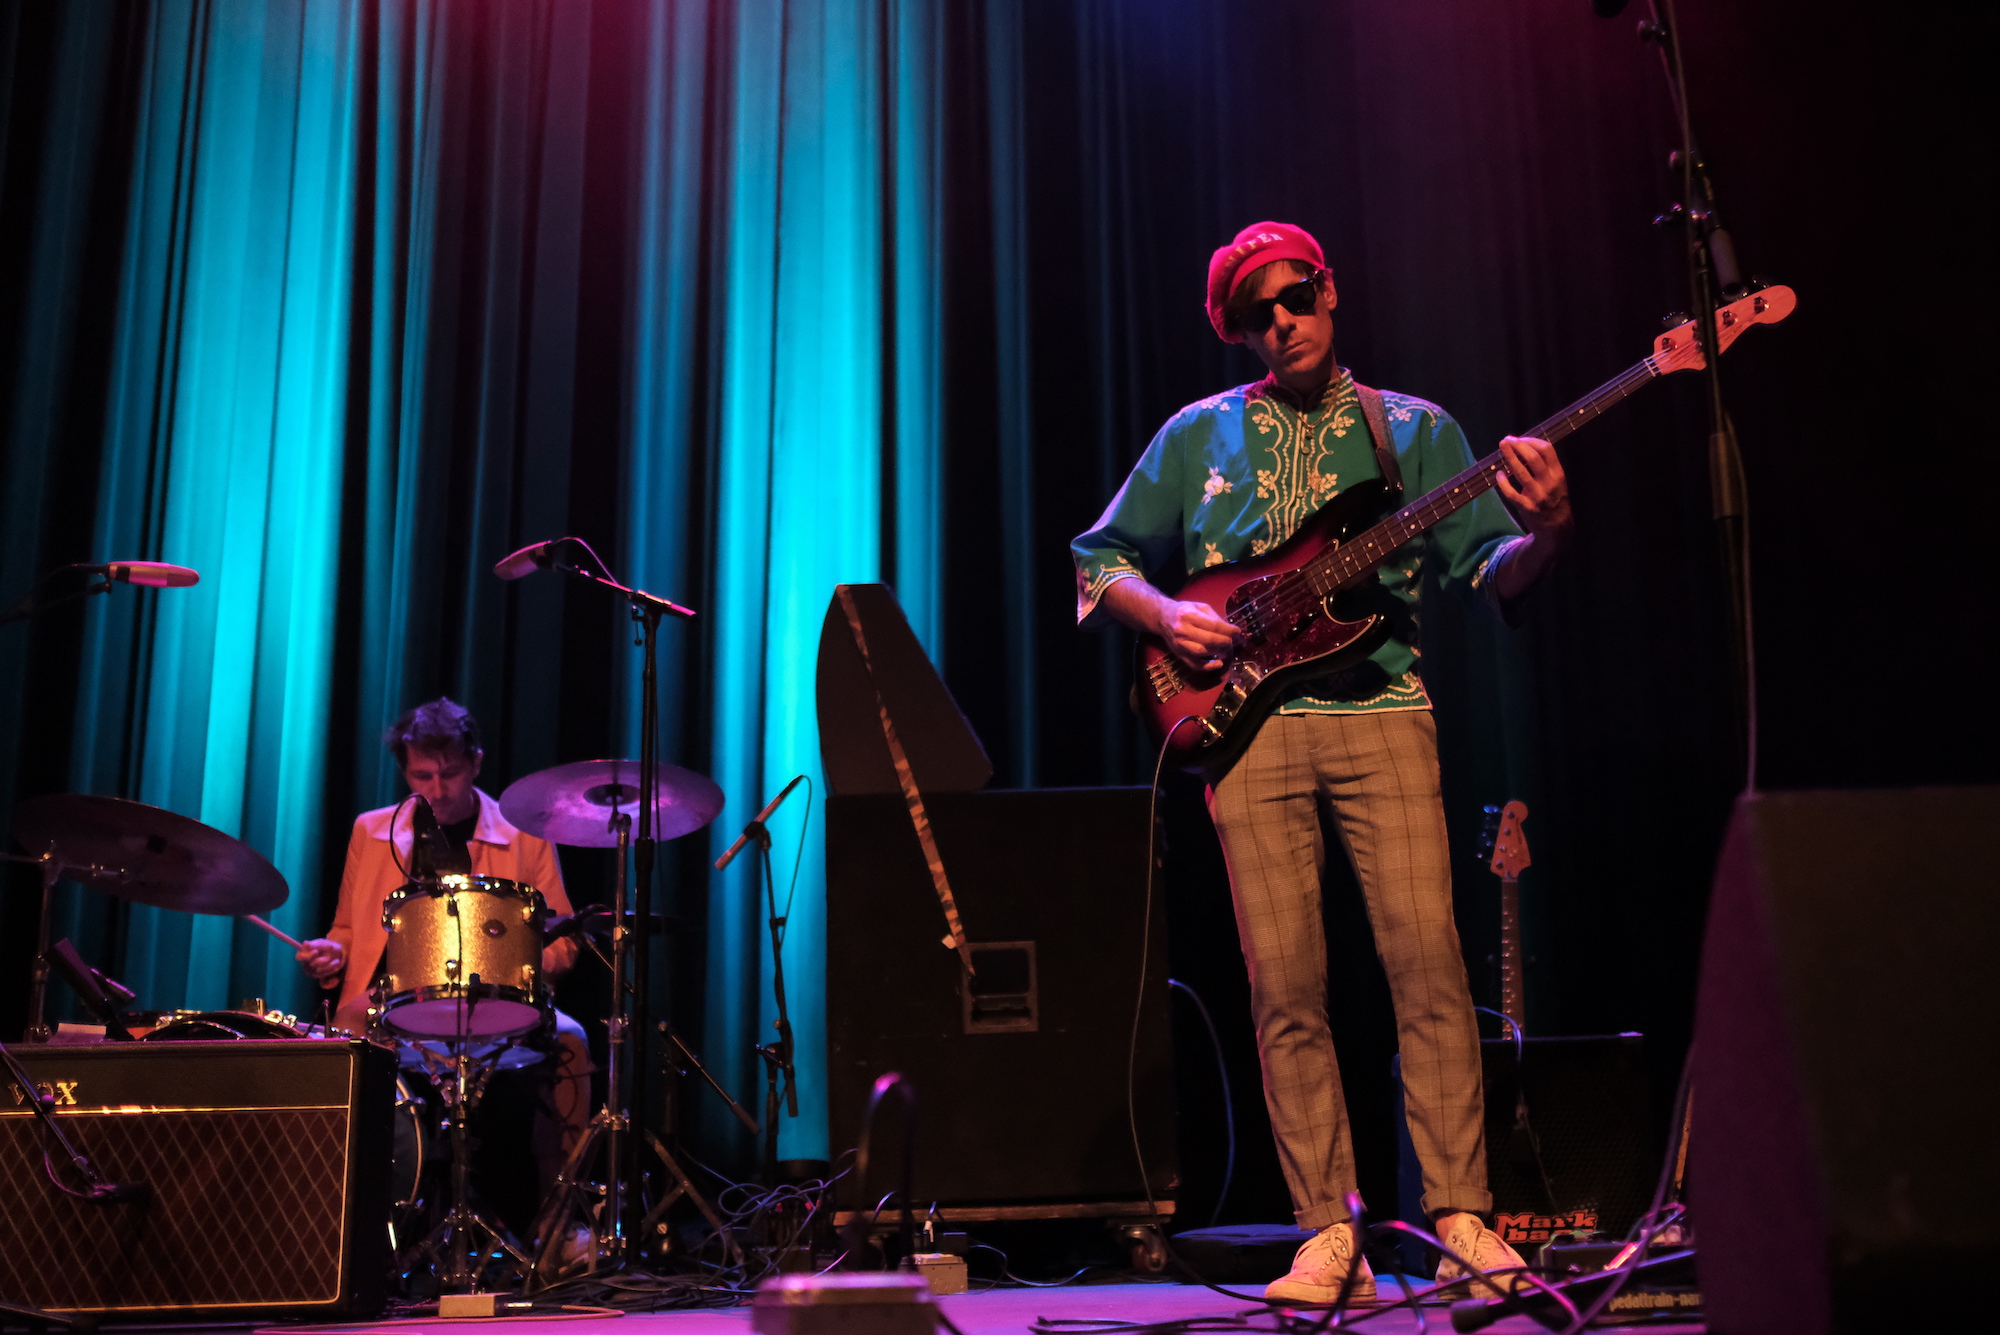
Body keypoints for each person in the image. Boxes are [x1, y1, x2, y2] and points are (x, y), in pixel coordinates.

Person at [1071, 223, 1573, 1304]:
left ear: (1329, 290)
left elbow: (1491, 569)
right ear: (1236, 332)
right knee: (1285, 988)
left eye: (1295, 296)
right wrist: (1164, 613)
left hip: (1384, 709)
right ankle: (1327, 1236)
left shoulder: (1415, 430)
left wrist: (1546, 535)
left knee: (1428, 969)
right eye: (1257, 314)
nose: (1282, 322)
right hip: (1246, 733)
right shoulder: (1196, 435)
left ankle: (1461, 1220)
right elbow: (1096, 557)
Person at [295, 698, 592, 1198]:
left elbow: (565, 938)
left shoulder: (524, 833)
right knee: (342, 1033)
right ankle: (351, 1206)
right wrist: (331, 952)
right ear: (404, 772)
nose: (436, 790)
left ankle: (563, 1210)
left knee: (572, 1040)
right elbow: (346, 930)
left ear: (475, 762)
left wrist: (521, 960)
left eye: (449, 774)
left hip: (495, 997)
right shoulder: (371, 831)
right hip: (393, 998)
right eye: (422, 776)